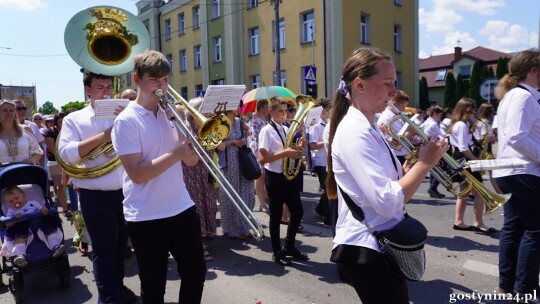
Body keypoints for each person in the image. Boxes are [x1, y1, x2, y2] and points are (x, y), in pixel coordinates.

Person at [326, 47, 448, 303]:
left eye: (395, 83)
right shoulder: (354, 131)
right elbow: (387, 202)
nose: (394, 91)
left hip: (379, 242)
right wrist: (424, 165)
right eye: (387, 83)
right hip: (367, 247)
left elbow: (390, 194)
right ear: (359, 85)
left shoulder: (369, 127)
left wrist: (407, 173)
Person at [111, 50, 206, 304]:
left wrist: (180, 125)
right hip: (146, 215)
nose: (162, 86)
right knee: (154, 286)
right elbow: (138, 174)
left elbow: (193, 160)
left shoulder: (172, 114)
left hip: (181, 207)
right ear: (137, 79)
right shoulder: (126, 121)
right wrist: (175, 154)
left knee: (196, 272)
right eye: (155, 80)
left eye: (165, 80)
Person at [58, 71, 136, 303]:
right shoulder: (75, 119)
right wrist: (104, 137)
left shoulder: (124, 114)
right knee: (104, 250)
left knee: (121, 247)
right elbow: (66, 154)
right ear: (88, 91)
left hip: (126, 192)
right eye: (100, 87)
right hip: (95, 196)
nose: (106, 91)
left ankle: (118, 290)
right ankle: (108, 299)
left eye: (108, 86)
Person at [492, 49, 540, 299]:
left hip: (511, 170)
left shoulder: (512, 96)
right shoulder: (524, 98)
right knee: (535, 231)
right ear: (534, 70)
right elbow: (517, 136)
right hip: (524, 171)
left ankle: (507, 285)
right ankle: (525, 289)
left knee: (514, 228)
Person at [258, 97, 308, 266]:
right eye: (281, 111)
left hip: (288, 176)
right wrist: (285, 153)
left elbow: (289, 150)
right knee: (276, 215)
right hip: (276, 177)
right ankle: (276, 251)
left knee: (298, 211)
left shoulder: (286, 128)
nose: (284, 114)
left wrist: (299, 146)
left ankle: (289, 246)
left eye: (286, 111)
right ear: (271, 111)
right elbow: (262, 159)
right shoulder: (266, 130)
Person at [448, 98, 495, 234]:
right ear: (465, 110)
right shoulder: (462, 125)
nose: (475, 112)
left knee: (464, 191)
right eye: (472, 109)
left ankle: (459, 221)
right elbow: (463, 148)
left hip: (459, 160)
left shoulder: (457, 124)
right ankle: (479, 223)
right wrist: (476, 160)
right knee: (480, 193)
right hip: (466, 161)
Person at [182, 97, 218, 261]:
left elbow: (216, 146)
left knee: (208, 203)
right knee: (196, 208)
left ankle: (205, 233)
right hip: (192, 173)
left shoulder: (208, 127)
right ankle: (198, 245)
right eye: (206, 111)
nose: (210, 114)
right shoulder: (186, 128)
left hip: (206, 171)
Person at [0, 185, 66, 268]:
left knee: (50, 229)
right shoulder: (11, 211)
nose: (14, 202)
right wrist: (14, 219)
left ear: (23, 195)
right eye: (11, 201)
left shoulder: (33, 203)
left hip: (39, 224)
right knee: (19, 236)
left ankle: (56, 247)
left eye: (16, 198)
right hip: (22, 228)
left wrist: (43, 210)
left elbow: (44, 210)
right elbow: (8, 224)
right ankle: (21, 256)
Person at [217, 108, 256, 239]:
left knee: (247, 193)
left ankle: (244, 227)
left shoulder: (239, 122)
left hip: (241, 160)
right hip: (229, 162)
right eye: (237, 106)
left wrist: (244, 137)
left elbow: (249, 132)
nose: (240, 108)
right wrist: (233, 142)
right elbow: (219, 146)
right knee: (231, 195)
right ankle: (231, 229)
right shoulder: (220, 122)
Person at [44, 112, 71, 218]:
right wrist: (62, 159)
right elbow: (51, 149)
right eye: (60, 121)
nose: (63, 123)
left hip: (68, 162)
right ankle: (65, 209)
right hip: (55, 162)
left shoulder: (68, 131)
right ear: (56, 122)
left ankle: (72, 206)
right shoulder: (50, 132)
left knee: (71, 185)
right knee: (60, 186)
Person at [0, 100, 43, 165]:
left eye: (11, 110)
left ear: (15, 113)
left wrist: (31, 160)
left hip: (25, 172)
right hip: (2, 173)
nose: (8, 112)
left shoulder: (26, 130)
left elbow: (37, 153)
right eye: (4, 110)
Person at [310, 98, 331, 224]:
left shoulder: (326, 123)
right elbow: (312, 145)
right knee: (328, 189)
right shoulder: (316, 126)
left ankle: (320, 210)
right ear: (320, 110)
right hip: (320, 162)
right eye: (326, 109)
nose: (328, 112)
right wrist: (327, 141)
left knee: (328, 189)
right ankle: (328, 217)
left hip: (327, 161)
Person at [377, 90, 411, 165]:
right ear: (394, 104)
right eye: (403, 107)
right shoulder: (386, 118)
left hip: (402, 154)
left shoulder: (397, 116)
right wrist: (411, 133)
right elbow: (390, 143)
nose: (404, 109)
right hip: (395, 156)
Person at [248, 99, 269, 212]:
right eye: (266, 107)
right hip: (258, 150)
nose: (268, 110)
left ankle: (265, 199)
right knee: (260, 178)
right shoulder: (255, 120)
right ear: (261, 108)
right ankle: (262, 203)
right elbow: (257, 136)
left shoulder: (264, 119)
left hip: (264, 149)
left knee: (264, 177)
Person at [421, 105, 446, 198]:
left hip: (426, 147)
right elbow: (441, 135)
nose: (440, 117)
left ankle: (433, 188)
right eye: (439, 115)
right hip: (433, 148)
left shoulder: (427, 121)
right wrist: (448, 133)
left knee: (434, 169)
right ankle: (433, 188)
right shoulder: (433, 124)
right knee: (441, 168)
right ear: (435, 114)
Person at [14, 100, 45, 167]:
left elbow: (40, 147)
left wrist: (42, 166)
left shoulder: (32, 125)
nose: (22, 111)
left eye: (24, 108)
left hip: (30, 165)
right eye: (18, 109)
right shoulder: (5, 127)